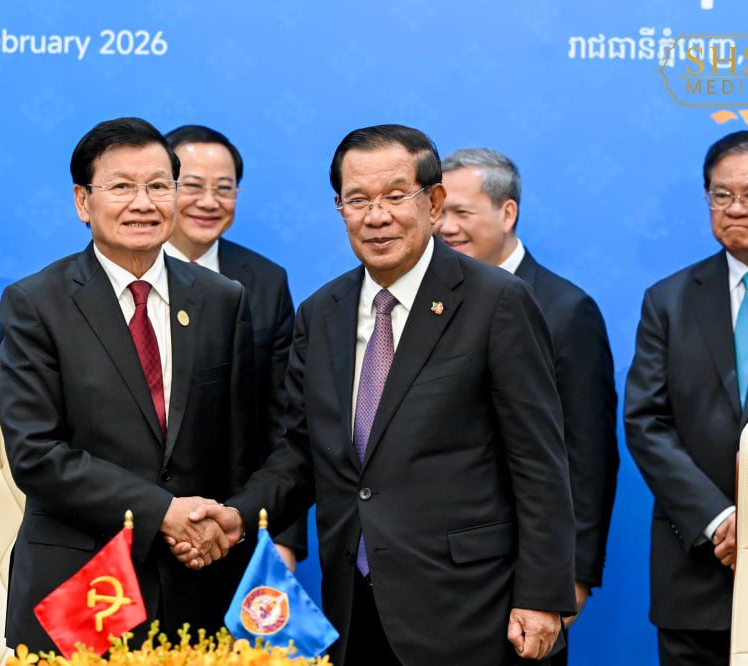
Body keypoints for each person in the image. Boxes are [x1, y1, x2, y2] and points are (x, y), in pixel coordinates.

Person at [177, 124, 576, 664]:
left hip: (471, 606)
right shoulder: (322, 313)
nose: (377, 216)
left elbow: (539, 460)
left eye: (395, 196)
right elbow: (301, 450)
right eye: (358, 199)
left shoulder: (497, 302)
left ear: (434, 202)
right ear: (339, 208)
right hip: (354, 605)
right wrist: (237, 515)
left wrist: (542, 596)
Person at [0, 117, 258, 653]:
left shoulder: (222, 300)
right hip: (81, 584)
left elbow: (243, 447)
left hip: (196, 584)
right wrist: (163, 512)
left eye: (159, 186)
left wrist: (219, 524)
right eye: (121, 187)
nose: (143, 203)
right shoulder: (36, 304)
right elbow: (36, 454)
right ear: (83, 201)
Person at [625, 130, 748, 666]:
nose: (735, 209)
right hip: (697, 562)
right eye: (721, 195)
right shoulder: (668, 300)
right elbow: (646, 421)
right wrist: (719, 520)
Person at [437, 147, 618, 665]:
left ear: (507, 212)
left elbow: (587, 454)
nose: (445, 227)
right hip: (438, 571)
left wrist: (571, 576)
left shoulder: (565, 309)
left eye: (461, 212)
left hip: (525, 572)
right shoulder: (430, 300)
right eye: (439, 211)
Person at [163, 124, 306, 568]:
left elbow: (285, 420)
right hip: (138, 521)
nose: (209, 202)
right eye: (192, 186)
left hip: (235, 523)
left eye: (224, 189)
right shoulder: (121, 274)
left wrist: (279, 533)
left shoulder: (266, 281)